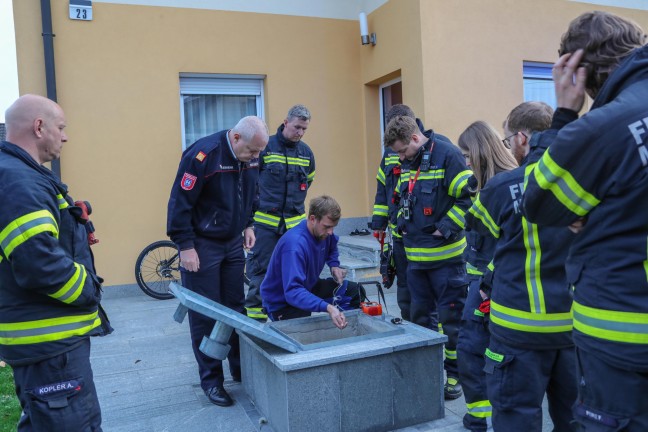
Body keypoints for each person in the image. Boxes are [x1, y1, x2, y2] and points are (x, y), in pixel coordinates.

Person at [522, 11, 648, 431]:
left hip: (623, 339)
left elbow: (538, 202)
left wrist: (563, 114)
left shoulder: (603, 128)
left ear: (578, 70)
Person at [0, 94, 112, 431]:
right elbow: (39, 264)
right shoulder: (19, 182)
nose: (64, 136)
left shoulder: (18, 175)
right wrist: (88, 289)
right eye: (60, 128)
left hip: (45, 345)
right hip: (51, 349)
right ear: (39, 127)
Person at [465, 101, 577, 431]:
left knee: (517, 419)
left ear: (522, 138)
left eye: (507, 139)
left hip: (518, 331)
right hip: (573, 327)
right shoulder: (584, 182)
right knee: (575, 420)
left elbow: (479, 232)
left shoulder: (500, 188)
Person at [167, 116, 269, 407]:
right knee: (205, 313)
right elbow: (179, 202)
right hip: (202, 245)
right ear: (236, 138)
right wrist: (185, 246)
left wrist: (249, 225)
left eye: (259, 152)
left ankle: (240, 371)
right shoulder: (203, 155)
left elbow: (252, 193)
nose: (256, 157)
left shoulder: (250, 156)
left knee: (236, 309)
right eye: (252, 151)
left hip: (233, 243)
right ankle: (212, 381)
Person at [383, 115, 473, 400]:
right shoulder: (409, 162)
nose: (400, 156)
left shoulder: (448, 155)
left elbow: (467, 199)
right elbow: (400, 197)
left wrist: (445, 228)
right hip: (415, 261)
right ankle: (426, 376)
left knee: (452, 321)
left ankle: (455, 376)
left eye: (401, 150)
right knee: (422, 321)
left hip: (446, 261)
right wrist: (396, 221)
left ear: (414, 137)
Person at [456, 121, 518, 432]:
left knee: (473, 350)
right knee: (474, 351)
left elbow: (509, 244)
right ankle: (478, 416)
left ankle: (479, 419)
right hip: (478, 284)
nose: (466, 162)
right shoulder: (481, 186)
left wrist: (486, 284)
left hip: (492, 287)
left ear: (482, 153)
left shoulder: (502, 187)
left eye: (468, 156)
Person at [244, 105, 316, 322]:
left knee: (294, 272)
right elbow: (250, 182)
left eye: (304, 129)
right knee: (261, 274)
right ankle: (256, 325)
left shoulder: (306, 153)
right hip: (265, 226)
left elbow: (308, 180)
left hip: (294, 227)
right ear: (286, 123)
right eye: (296, 127)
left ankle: (289, 319)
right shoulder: (266, 147)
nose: (300, 132)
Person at [260, 195, 364, 330]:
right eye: (327, 227)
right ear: (312, 219)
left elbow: (332, 247)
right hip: (283, 301)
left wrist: (334, 265)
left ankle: (344, 329)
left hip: (307, 286)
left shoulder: (324, 233)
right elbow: (292, 292)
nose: (331, 232)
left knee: (354, 291)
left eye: (333, 227)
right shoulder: (295, 245)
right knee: (303, 332)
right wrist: (328, 308)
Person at [371, 104, 421, 322]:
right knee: (404, 285)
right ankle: (408, 325)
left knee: (422, 286)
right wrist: (379, 222)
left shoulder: (434, 148)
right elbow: (383, 186)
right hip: (398, 233)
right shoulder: (390, 153)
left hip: (421, 234)